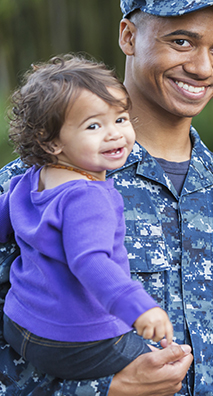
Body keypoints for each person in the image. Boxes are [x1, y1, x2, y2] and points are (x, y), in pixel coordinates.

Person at [0, 0, 213, 395]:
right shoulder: (39, 180)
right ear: (128, 36)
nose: (203, 68)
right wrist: (107, 388)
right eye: (182, 41)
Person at [1, 54, 175, 380]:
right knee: (165, 366)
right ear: (51, 142)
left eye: (121, 119)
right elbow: (90, 262)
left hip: (20, 324)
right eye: (93, 126)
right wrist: (141, 308)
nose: (115, 134)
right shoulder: (88, 196)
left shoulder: (30, 178)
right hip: (72, 341)